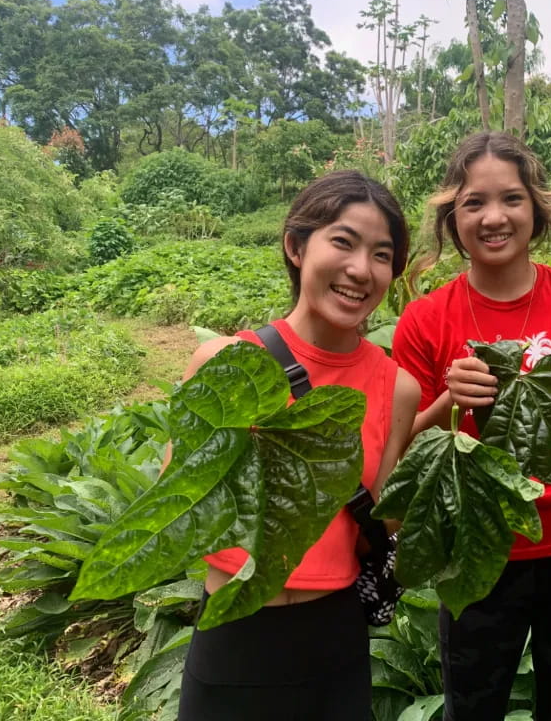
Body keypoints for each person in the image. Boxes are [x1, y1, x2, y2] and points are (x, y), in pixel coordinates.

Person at [391, 132, 551, 721]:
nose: (494, 217)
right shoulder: (426, 321)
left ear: (537, 210)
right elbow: (396, 459)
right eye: (474, 203)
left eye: (512, 199)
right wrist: (445, 403)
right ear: (453, 219)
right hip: (477, 551)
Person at [175, 170, 420, 721]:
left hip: (333, 637)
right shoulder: (224, 363)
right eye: (343, 242)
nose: (362, 270)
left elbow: (380, 524)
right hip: (233, 634)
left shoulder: (397, 387)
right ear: (295, 246)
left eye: (382, 255)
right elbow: (181, 508)